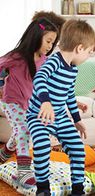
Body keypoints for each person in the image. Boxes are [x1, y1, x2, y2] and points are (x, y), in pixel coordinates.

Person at [26, 19, 95, 196]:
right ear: (79, 48)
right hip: (38, 116)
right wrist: (46, 102)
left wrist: (77, 120)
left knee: (78, 149)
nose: (89, 56)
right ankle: (43, 189)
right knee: (42, 146)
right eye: (88, 52)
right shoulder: (54, 62)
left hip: (59, 117)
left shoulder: (73, 70)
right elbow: (39, 79)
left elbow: (69, 96)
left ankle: (78, 189)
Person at [0, 18, 59, 188]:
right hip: (12, 102)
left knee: (21, 130)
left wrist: (74, 101)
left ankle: (4, 154)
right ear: (36, 36)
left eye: (53, 42)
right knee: (24, 129)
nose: (50, 46)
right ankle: (24, 171)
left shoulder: (45, 61)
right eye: (48, 41)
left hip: (29, 104)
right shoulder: (17, 56)